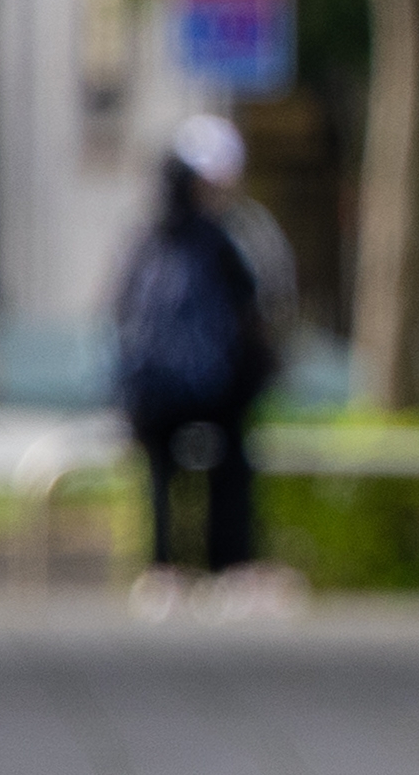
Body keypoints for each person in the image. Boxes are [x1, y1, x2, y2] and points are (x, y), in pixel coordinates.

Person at [112, 112, 290, 601]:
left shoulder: (147, 237)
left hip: (152, 391)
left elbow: (121, 307)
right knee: (232, 462)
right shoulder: (227, 236)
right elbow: (257, 308)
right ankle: (228, 565)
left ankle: (162, 566)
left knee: (160, 474)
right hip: (216, 388)